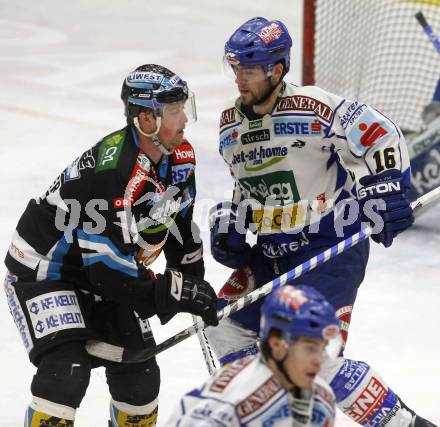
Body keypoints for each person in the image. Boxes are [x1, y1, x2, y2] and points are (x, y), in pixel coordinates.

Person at [205, 17, 436, 427]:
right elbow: (246, 186)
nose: (240, 78)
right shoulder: (229, 125)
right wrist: (235, 224)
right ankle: (267, 409)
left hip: (329, 247)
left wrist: (386, 186)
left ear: (277, 70)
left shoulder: (313, 105)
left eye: (250, 69)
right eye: (236, 68)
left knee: (316, 359)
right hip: (272, 253)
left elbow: (380, 134)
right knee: (223, 326)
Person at [3, 64, 218, 426]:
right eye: (174, 110)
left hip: (98, 269)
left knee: (140, 379)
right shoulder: (115, 171)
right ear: (145, 120)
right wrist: (174, 292)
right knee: (66, 372)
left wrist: (193, 281)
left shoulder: (180, 157)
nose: (185, 119)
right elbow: (109, 272)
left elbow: (180, 225)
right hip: (44, 270)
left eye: (185, 107)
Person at [167, 284, 340, 426]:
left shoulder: (322, 395)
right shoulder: (234, 404)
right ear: (277, 346)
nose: (319, 360)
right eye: (310, 348)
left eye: (323, 347)